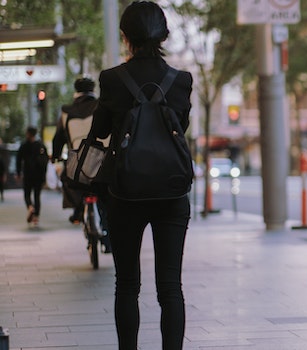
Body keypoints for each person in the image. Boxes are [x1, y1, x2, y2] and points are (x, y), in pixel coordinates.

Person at [88, 2, 193, 349]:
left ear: (125, 36)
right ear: (164, 35)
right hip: (172, 192)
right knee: (170, 288)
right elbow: (180, 129)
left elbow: (100, 132)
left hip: (125, 192)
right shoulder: (181, 81)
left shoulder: (112, 80)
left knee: (127, 285)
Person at [52, 77, 99, 224]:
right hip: (99, 157)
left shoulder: (66, 112)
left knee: (69, 179)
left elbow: (58, 137)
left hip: (75, 158)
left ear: (76, 91)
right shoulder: (100, 106)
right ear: (92, 90)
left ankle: (77, 210)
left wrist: (55, 156)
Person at [16, 127, 48, 226]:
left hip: (28, 174)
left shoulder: (24, 145)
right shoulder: (40, 146)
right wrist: (44, 176)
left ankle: (30, 207)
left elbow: (18, 160)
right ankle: (36, 217)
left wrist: (18, 173)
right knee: (37, 196)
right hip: (38, 175)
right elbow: (45, 161)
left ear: (28, 133)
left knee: (27, 194)